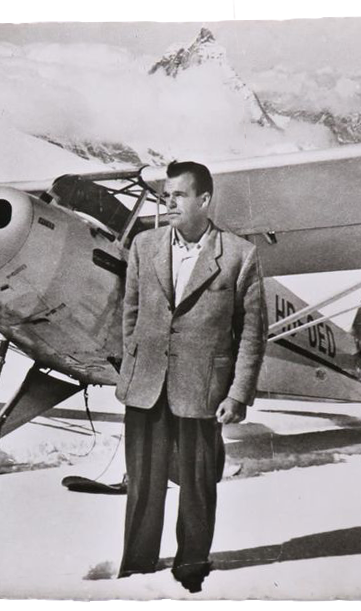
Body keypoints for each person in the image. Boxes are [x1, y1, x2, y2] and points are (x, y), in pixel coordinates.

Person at [115, 160, 267, 593]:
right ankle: (137, 568)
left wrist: (237, 395)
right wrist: (133, 368)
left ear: (204, 199)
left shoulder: (240, 255)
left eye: (179, 195)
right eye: (167, 195)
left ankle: (191, 570)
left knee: (197, 487)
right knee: (142, 485)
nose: (169, 202)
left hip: (202, 391)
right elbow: (130, 315)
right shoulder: (144, 246)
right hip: (146, 386)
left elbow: (253, 333)